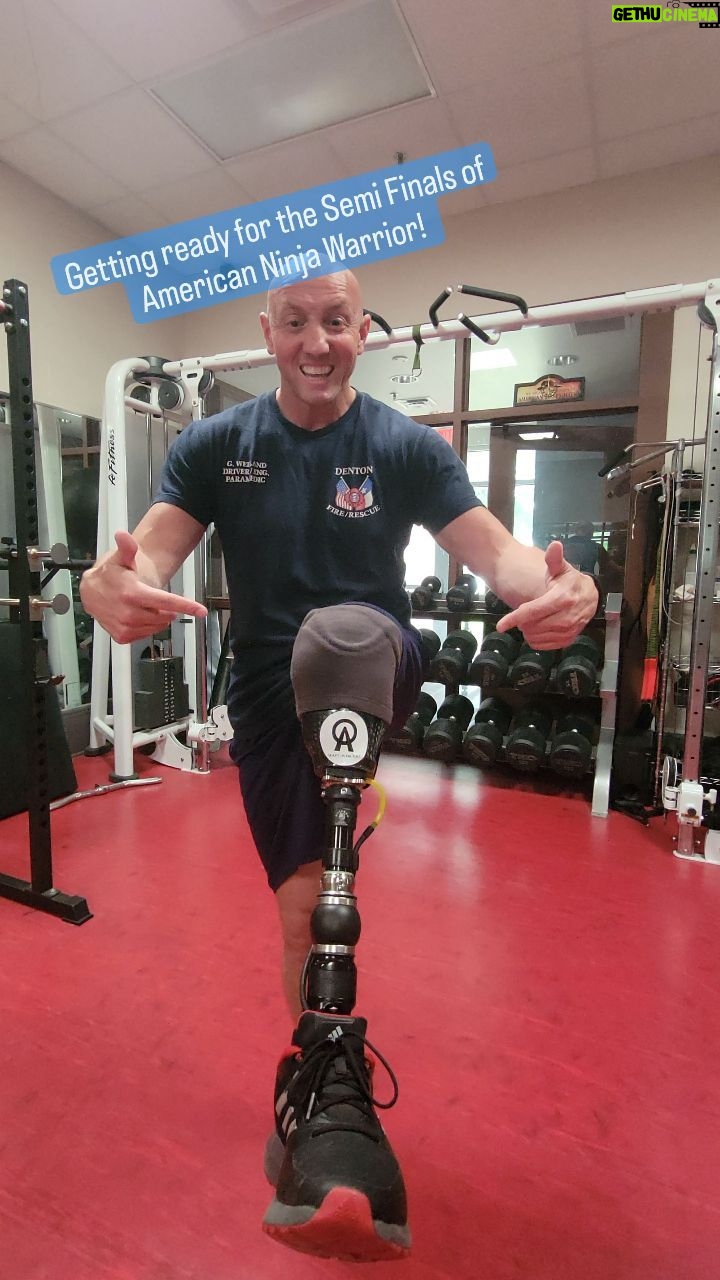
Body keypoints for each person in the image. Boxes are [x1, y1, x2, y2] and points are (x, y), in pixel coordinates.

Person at [80, 269, 598, 1262]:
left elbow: (504, 558)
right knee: (302, 906)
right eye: (295, 323)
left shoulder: (404, 447)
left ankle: (330, 1092)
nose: (316, 343)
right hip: (267, 698)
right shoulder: (216, 446)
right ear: (266, 331)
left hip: (372, 657)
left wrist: (562, 587)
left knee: (343, 633)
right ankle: (319, 1084)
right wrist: (112, 583)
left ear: (364, 330)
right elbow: (146, 554)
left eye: (335, 322)